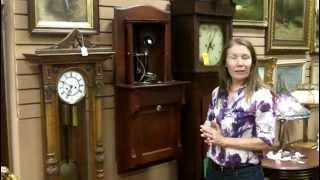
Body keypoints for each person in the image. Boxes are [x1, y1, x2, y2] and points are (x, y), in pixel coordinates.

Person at [200, 38, 276, 180]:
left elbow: (266, 143)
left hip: (243, 174)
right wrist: (208, 131)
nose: (240, 63)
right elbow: (210, 123)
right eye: (233, 58)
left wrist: (223, 140)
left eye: (245, 57)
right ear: (225, 63)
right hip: (213, 170)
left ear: (252, 63)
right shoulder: (217, 92)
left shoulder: (261, 95)